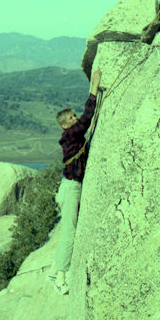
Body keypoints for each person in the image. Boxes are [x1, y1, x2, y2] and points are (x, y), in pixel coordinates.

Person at [46, 70, 102, 295]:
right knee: (70, 232)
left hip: (69, 187)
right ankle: (60, 277)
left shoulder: (71, 136)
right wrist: (94, 89)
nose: (75, 118)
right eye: (71, 118)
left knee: (68, 229)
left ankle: (53, 269)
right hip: (70, 188)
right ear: (64, 125)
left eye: (74, 116)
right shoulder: (71, 135)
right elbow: (88, 119)